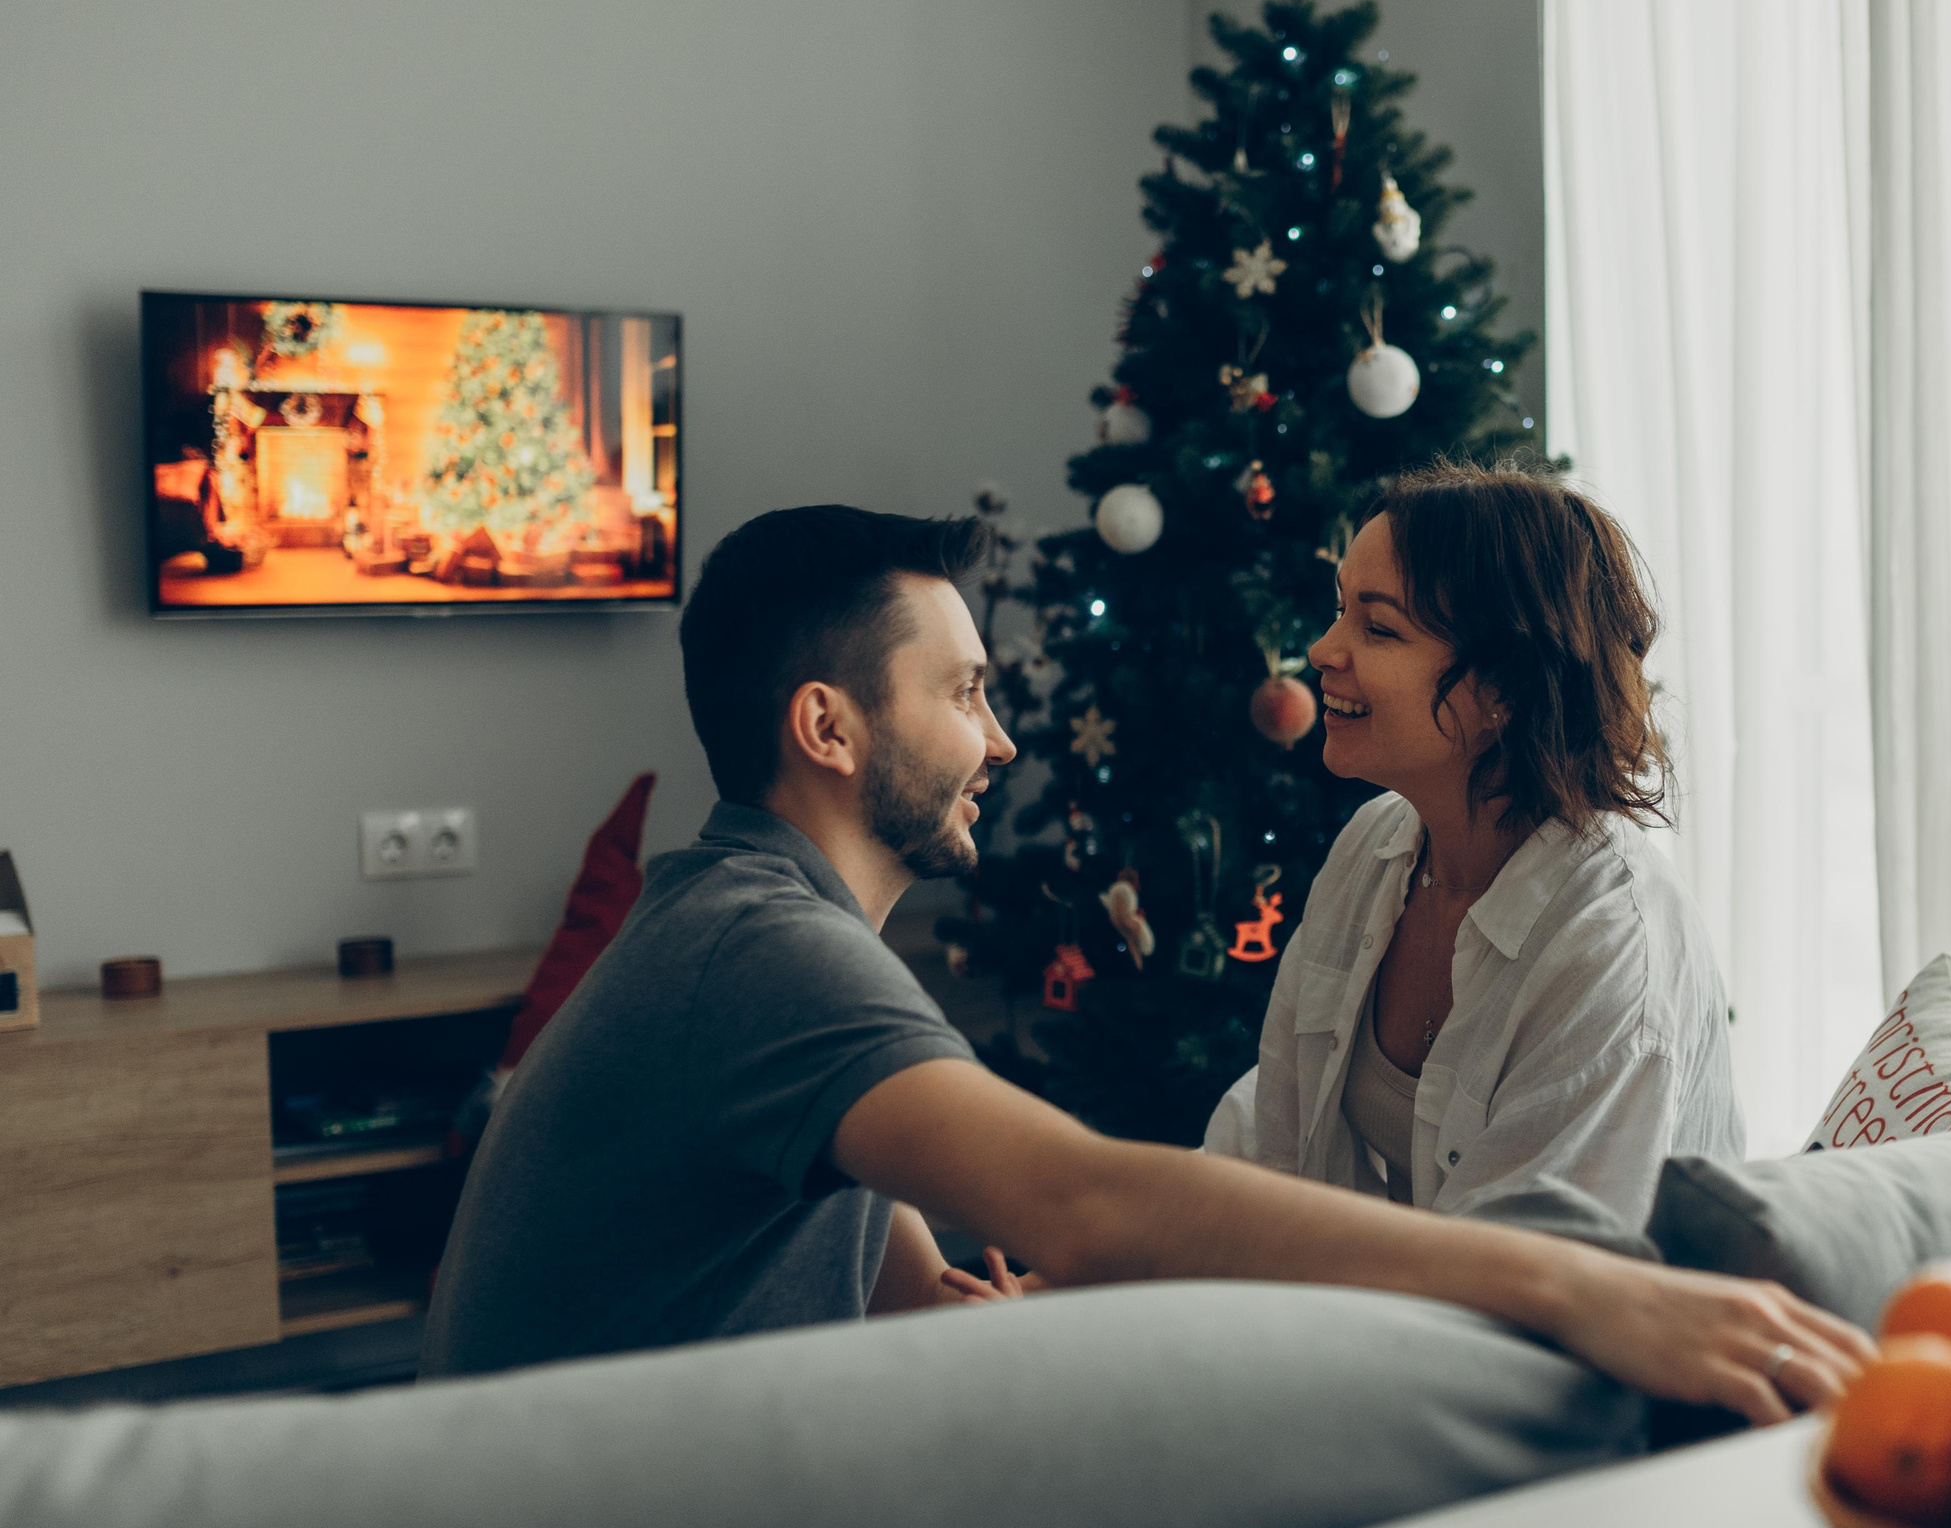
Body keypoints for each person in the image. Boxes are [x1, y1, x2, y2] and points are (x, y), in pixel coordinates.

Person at [420, 503, 1865, 1426]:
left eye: (1374, 623)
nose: (1000, 740)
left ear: (1493, 687)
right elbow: (1086, 1201)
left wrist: (1053, 1311)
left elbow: (919, 1287)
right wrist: (1573, 1289)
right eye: (968, 693)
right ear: (829, 727)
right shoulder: (766, 955)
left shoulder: (761, 932)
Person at [1206, 461, 1740, 1227]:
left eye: (1378, 626)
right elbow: (1271, 1138)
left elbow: (1520, 1274)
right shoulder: (1374, 848)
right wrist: (1082, 1268)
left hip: (1559, 1335)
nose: (1322, 650)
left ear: (1507, 689)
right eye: (1339, 611)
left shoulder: (1607, 944)